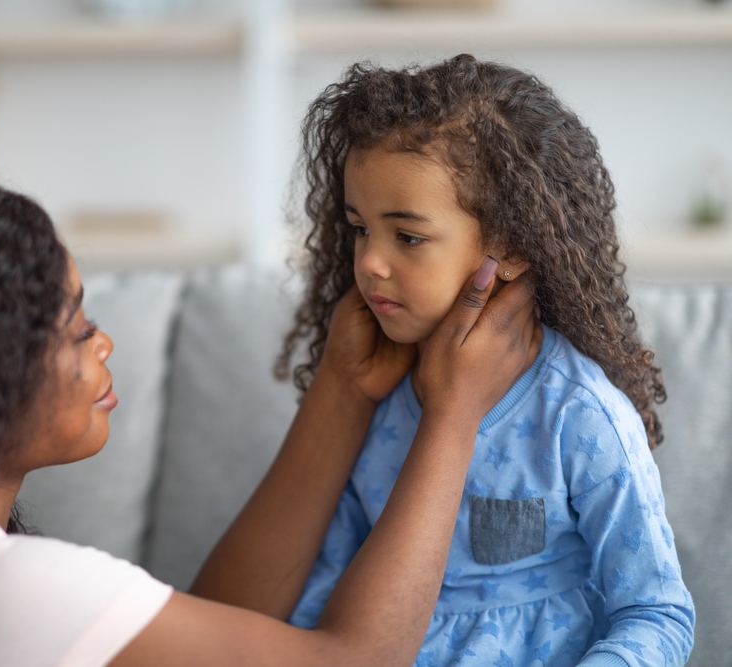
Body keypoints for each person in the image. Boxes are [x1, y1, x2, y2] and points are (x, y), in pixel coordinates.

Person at [0, 178, 536, 667]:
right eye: (75, 324)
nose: (103, 340)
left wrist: (342, 388)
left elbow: (202, 639)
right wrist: (454, 412)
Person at [279, 55, 695, 666]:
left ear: (510, 245)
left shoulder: (580, 416)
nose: (367, 261)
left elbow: (657, 613)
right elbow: (327, 579)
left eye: (408, 236)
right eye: (360, 229)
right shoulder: (375, 399)